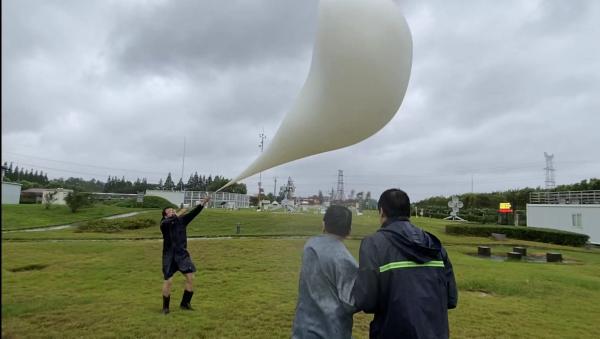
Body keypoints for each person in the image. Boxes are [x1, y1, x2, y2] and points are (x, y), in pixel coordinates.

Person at [352, 189, 458, 338]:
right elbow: (451, 298)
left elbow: (367, 301)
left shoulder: (373, 243)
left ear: (382, 212)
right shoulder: (434, 244)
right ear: (408, 212)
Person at [292, 205, 358, 339]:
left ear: (324, 224)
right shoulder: (345, 259)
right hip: (331, 331)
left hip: (303, 328)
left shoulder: (310, 246)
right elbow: (350, 303)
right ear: (349, 231)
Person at [160, 196, 211, 314]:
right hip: (169, 256)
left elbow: (194, 213)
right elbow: (169, 221)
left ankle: (185, 304)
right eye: (169, 211)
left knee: (190, 277)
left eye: (173, 210)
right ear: (165, 215)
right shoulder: (164, 224)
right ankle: (165, 307)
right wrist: (178, 214)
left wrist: (203, 203)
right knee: (168, 281)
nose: (172, 212)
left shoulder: (181, 220)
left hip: (182, 254)